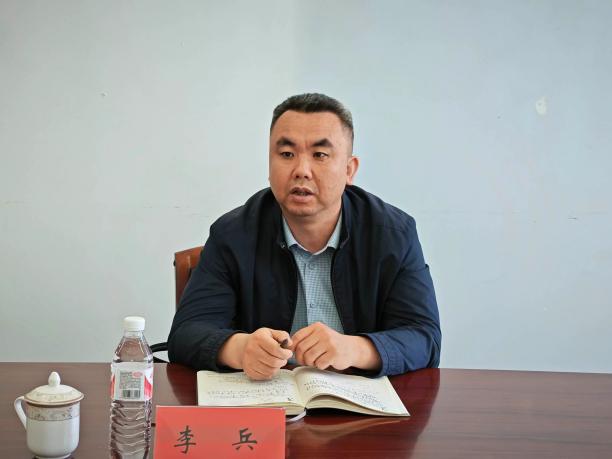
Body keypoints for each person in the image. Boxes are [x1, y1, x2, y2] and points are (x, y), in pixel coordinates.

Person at [168, 93, 441, 380]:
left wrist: (354, 348)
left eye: (320, 155)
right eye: (287, 154)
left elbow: (425, 338)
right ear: (269, 164)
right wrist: (240, 348)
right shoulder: (232, 234)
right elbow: (187, 332)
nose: (301, 170)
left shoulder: (393, 235)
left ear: (349, 170)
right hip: (266, 399)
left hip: (357, 400)